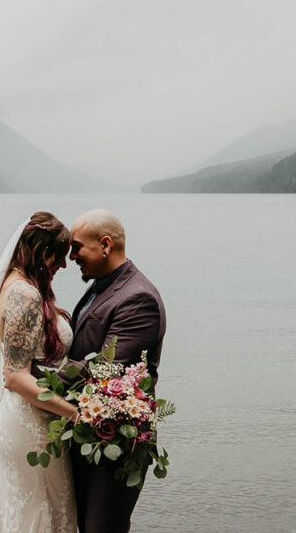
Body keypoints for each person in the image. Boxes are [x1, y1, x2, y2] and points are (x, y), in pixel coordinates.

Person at [0, 212, 79, 533]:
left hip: (31, 418)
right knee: (38, 516)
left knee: (40, 512)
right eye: (60, 256)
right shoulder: (24, 296)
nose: (64, 266)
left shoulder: (16, 286)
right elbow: (15, 377)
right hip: (30, 426)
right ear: (43, 252)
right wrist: (75, 414)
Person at [66, 209, 166, 533]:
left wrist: (35, 374)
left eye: (77, 247)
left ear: (105, 244)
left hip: (119, 444)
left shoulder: (138, 298)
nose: (71, 257)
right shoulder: (101, 286)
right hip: (91, 433)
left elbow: (107, 368)